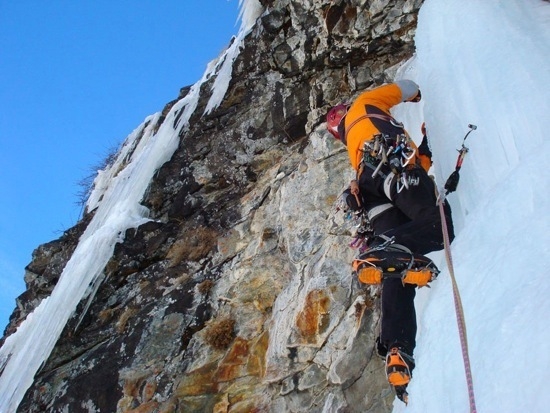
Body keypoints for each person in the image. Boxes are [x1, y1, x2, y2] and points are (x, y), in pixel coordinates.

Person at [326, 80, 454, 403]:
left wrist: (425, 149)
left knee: (395, 265)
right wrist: (425, 91)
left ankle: (398, 348)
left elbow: (410, 184)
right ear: (346, 110)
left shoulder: (353, 150)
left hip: (372, 191)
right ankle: (386, 248)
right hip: (390, 162)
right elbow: (404, 88)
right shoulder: (365, 105)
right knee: (440, 224)